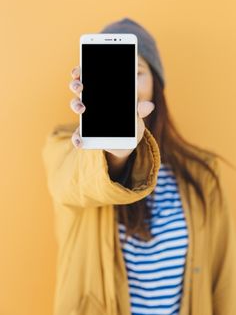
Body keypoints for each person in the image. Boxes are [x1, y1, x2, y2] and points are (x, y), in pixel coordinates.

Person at [42, 17, 236, 315]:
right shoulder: (68, 148)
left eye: (136, 72)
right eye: (114, 73)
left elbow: (223, 283)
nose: (125, 84)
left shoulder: (202, 174)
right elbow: (75, 182)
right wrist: (117, 153)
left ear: (156, 85)